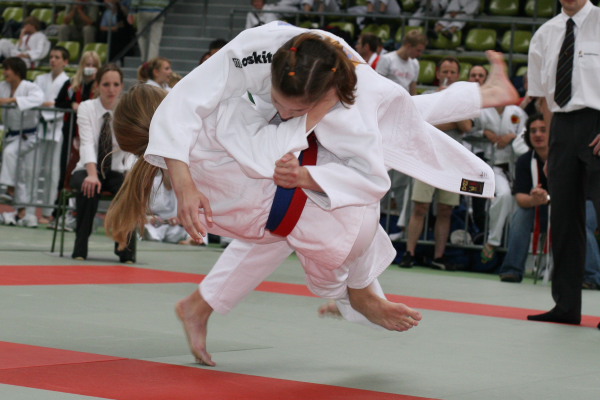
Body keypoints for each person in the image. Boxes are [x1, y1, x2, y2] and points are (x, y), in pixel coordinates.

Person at [114, 23, 517, 364]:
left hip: (259, 210)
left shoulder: (192, 137)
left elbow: (198, 118)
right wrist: (313, 116)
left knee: (378, 125)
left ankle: (205, 306)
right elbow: (243, 137)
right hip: (272, 199)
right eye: (284, 104)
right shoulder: (215, 110)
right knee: (371, 144)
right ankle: (355, 295)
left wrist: (308, 121)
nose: (286, 111)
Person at [526, 0, 600, 325]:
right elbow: (544, 97)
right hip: (561, 128)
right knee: (565, 220)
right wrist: (551, 149)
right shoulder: (545, 33)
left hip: (597, 122)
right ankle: (566, 306)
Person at [498, 115, 600, 289]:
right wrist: (534, 199)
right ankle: (512, 270)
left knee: (579, 219)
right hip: (544, 208)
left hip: (581, 203)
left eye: (543, 130)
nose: (538, 134)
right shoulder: (525, 161)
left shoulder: (572, 155)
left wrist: (551, 198)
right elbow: (521, 198)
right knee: (521, 214)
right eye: (533, 131)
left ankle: (592, 276)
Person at [400, 57, 473, 270]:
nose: (448, 76)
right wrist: (446, 115)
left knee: (446, 209)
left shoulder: (462, 100)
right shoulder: (427, 97)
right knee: (420, 206)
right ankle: (409, 252)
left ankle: (439, 256)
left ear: (458, 76)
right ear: (438, 74)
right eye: (445, 71)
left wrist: (450, 102)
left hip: (452, 162)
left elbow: (466, 126)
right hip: (427, 159)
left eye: (452, 72)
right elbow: (419, 124)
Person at [70, 64, 135, 262]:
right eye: (106, 84)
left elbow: (131, 147)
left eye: (116, 84)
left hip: (115, 170)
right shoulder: (86, 107)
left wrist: (130, 175)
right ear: (97, 86)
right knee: (88, 188)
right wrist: (92, 174)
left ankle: (125, 249)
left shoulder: (127, 110)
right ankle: (80, 247)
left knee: (128, 191)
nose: (111, 90)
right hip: (86, 168)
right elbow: (87, 142)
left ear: (122, 86)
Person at [52, 51, 102, 229]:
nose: (90, 68)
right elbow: (59, 102)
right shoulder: (71, 84)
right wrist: (72, 105)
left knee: (86, 174)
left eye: (93, 65)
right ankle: (59, 214)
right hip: (71, 134)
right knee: (66, 172)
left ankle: (80, 216)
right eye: (87, 64)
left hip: (91, 137)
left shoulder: (100, 85)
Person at [476, 103, 528, 263]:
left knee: (516, 210)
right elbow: (468, 131)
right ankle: (493, 241)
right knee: (503, 195)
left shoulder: (517, 112)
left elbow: (527, 133)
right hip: (493, 167)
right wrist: (483, 133)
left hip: (515, 167)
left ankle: (514, 253)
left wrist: (513, 136)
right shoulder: (483, 112)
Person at [0, 58, 44, 227]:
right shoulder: (3, 87)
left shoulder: (30, 87)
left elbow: (39, 99)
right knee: (20, 175)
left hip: (28, 136)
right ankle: (22, 212)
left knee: (10, 154)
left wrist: (12, 100)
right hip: (12, 136)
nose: (5, 72)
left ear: (17, 71)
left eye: (8, 69)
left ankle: (9, 190)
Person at [33, 46, 71, 225]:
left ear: (65, 62)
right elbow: (36, 100)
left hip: (57, 129)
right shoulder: (40, 79)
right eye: (51, 57)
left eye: (57, 57)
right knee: (34, 170)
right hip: (39, 127)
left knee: (52, 172)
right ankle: (29, 211)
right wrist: (49, 104)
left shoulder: (68, 82)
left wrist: (50, 104)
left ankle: (48, 212)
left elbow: (64, 104)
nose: (53, 60)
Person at [375, 29, 427, 95]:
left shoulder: (415, 63)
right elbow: (378, 86)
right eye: (418, 50)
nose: (420, 54)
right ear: (409, 46)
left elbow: (412, 89)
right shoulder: (387, 59)